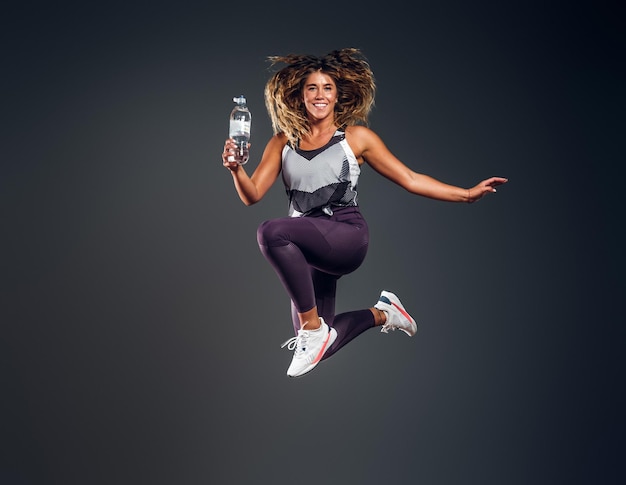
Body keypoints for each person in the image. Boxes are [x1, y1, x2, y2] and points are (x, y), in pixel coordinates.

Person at [222, 48, 507, 378]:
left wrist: (467, 194)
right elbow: (252, 195)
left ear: (337, 94)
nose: (319, 95)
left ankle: (313, 330)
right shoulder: (282, 142)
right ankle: (383, 313)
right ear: (299, 94)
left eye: (327, 87)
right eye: (312, 87)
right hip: (307, 246)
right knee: (318, 351)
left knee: (271, 232)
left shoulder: (356, 138)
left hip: (345, 236)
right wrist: (234, 169)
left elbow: (411, 178)